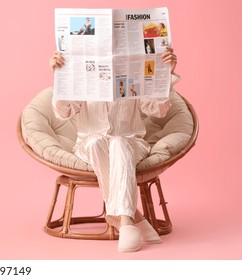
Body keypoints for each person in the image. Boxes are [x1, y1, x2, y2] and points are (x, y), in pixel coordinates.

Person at [49, 47, 179, 252]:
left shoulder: (133, 74)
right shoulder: (83, 76)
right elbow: (64, 112)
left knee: (118, 142)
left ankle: (123, 220)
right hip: (88, 145)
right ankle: (132, 217)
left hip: (131, 143)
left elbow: (157, 110)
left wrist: (166, 73)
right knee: (95, 142)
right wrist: (60, 76)